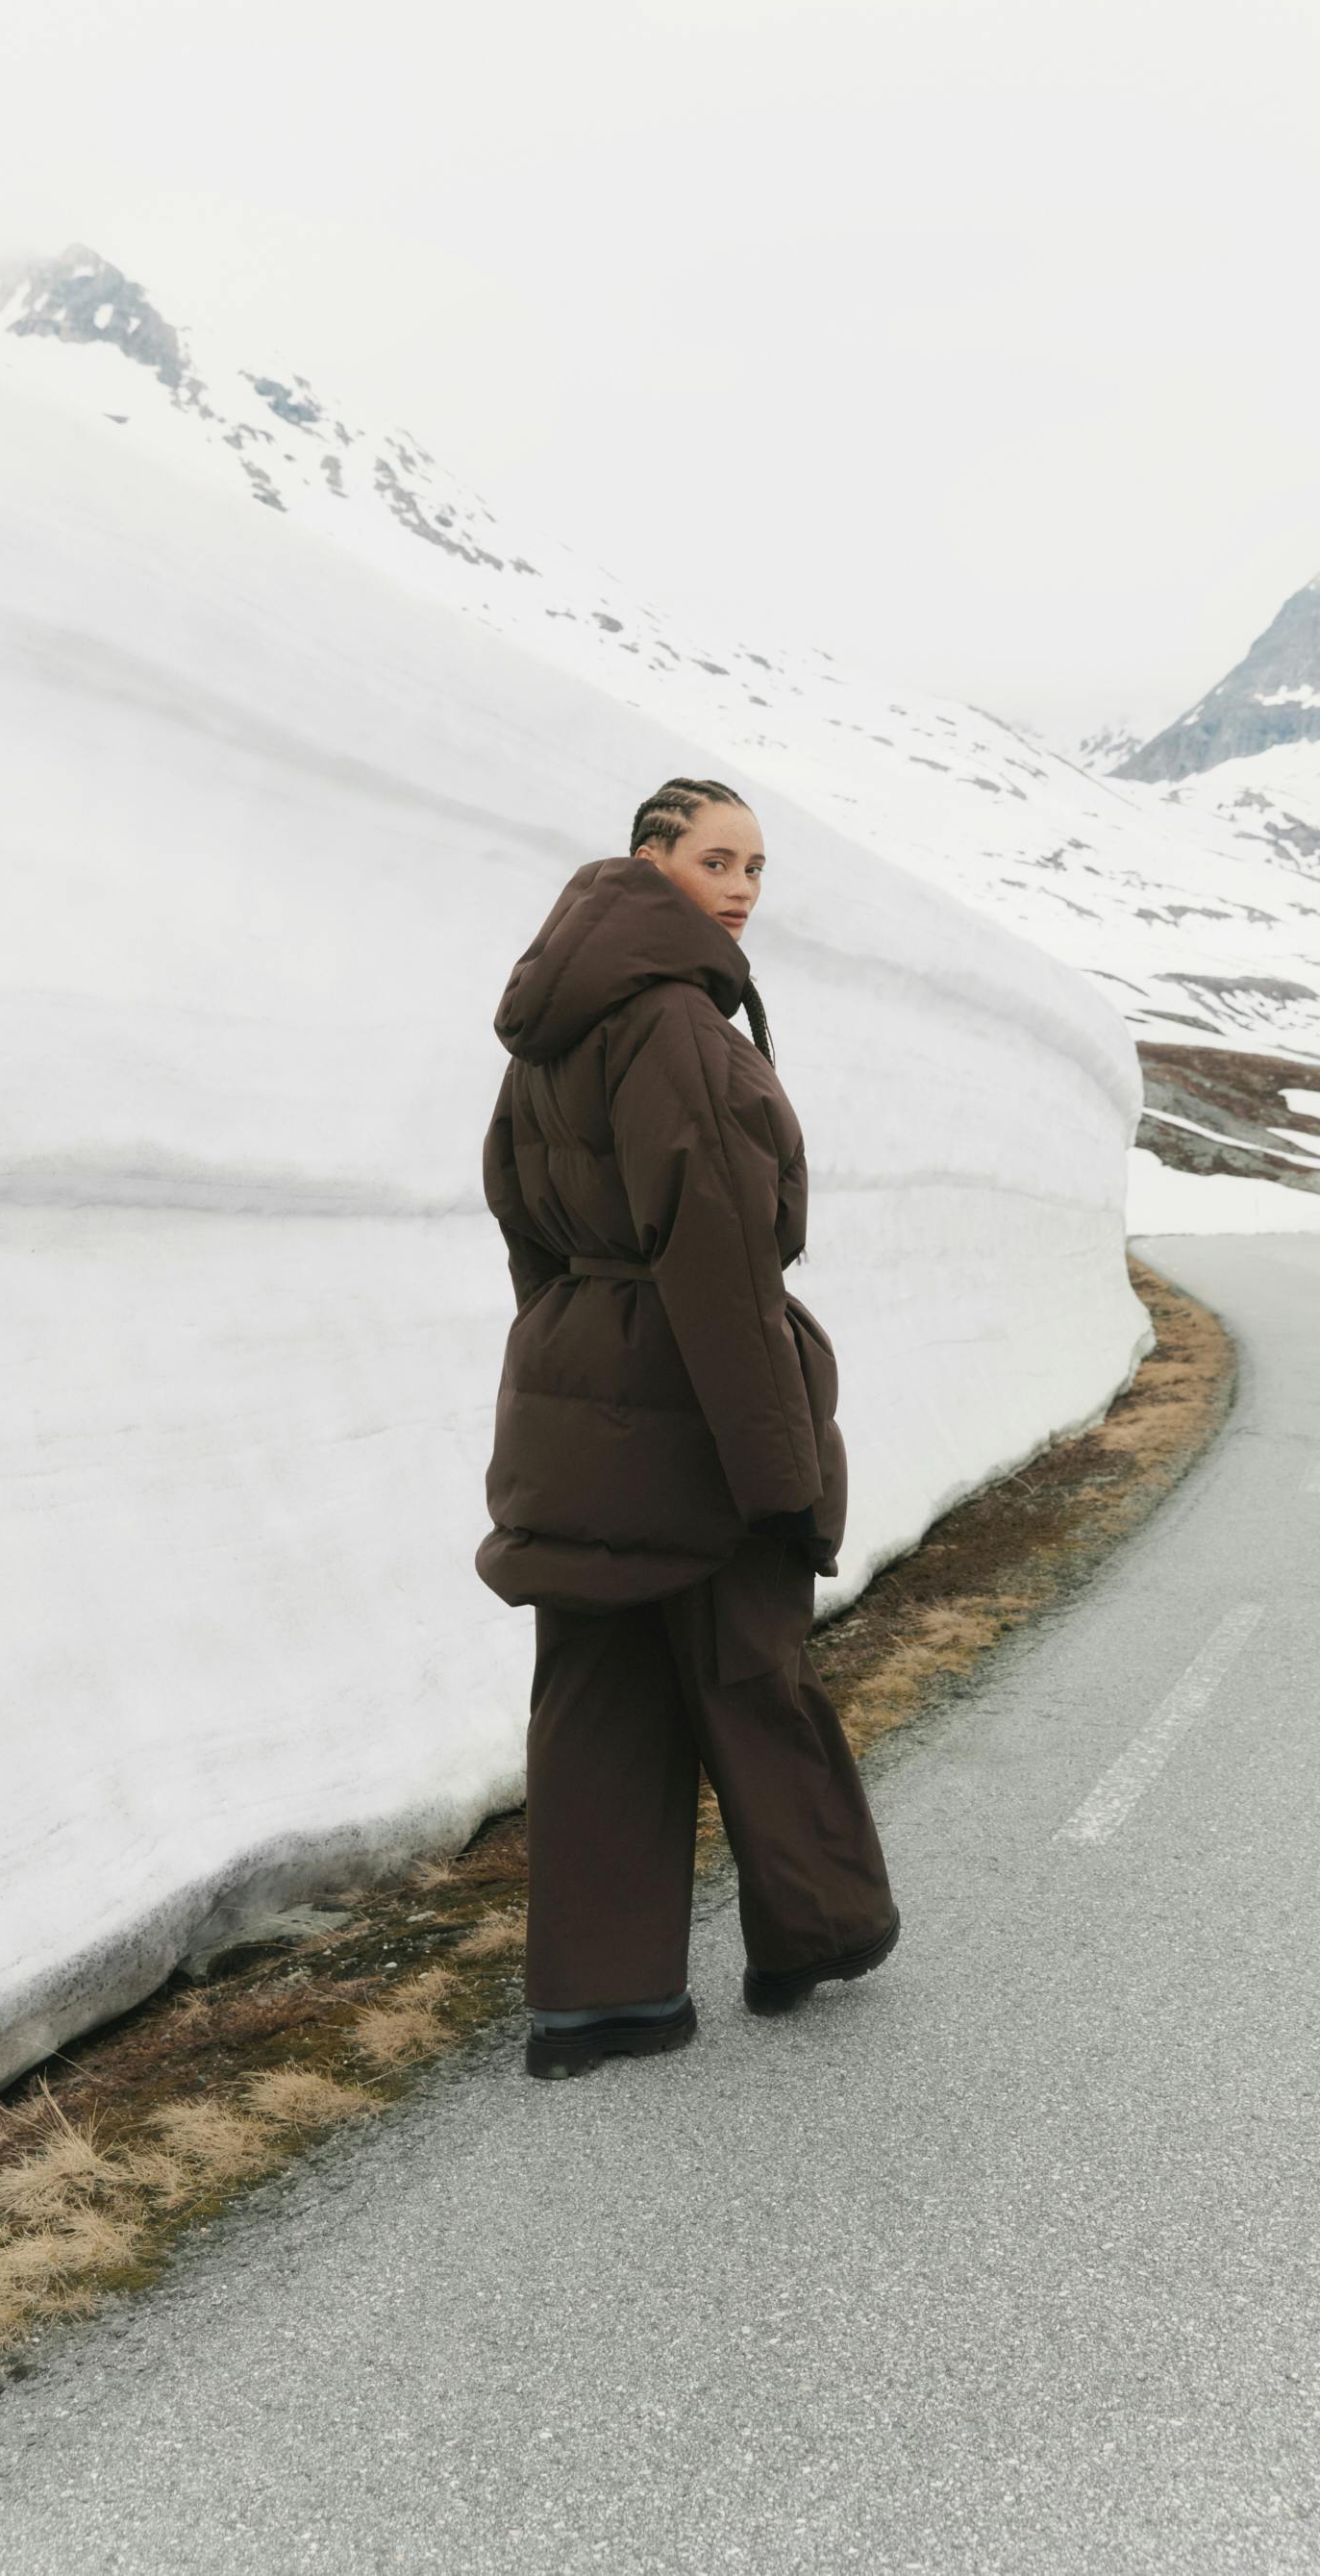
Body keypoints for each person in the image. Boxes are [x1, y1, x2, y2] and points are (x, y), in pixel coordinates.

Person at [477, 776, 899, 2081]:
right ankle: (813, 1931)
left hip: (576, 1379)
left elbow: (518, 1212)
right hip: (691, 1386)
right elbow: (715, 1246)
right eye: (716, 859)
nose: (741, 889)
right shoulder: (674, 1024)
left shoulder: (551, 1023)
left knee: (596, 1689)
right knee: (750, 1662)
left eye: (758, 867)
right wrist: (776, 1471)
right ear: (647, 861)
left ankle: (599, 2003)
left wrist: (570, 1354)